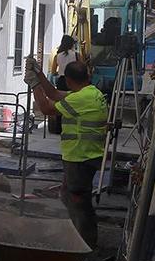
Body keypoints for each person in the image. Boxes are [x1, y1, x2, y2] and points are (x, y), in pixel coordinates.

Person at [25, 58, 107, 249]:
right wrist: (39, 74)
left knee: (79, 201)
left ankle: (84, 243)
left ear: (69, 81)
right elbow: (53, 93)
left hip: (81, 157)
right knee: (68, 194)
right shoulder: (91, 92)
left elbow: (46, 108)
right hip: (85, 155)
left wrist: (34, 84)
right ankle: (77, 234)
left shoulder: (80, 99)